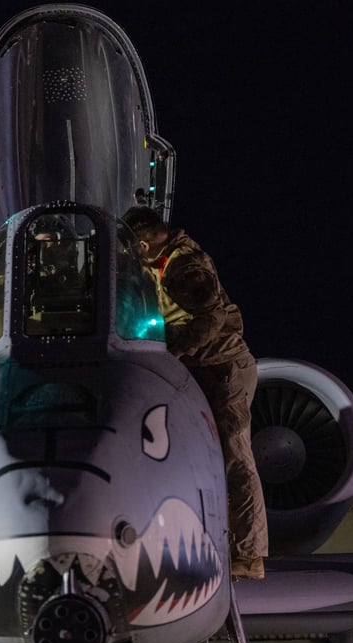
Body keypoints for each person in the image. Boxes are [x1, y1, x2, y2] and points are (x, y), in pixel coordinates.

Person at [122, 205, 268, 580]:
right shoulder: (158, 263)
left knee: (236, 455)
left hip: (223, 368)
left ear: (142, 243)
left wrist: (174, 351)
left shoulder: (184, 266)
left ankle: (249, 554)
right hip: (200, 368)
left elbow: (210, 318)